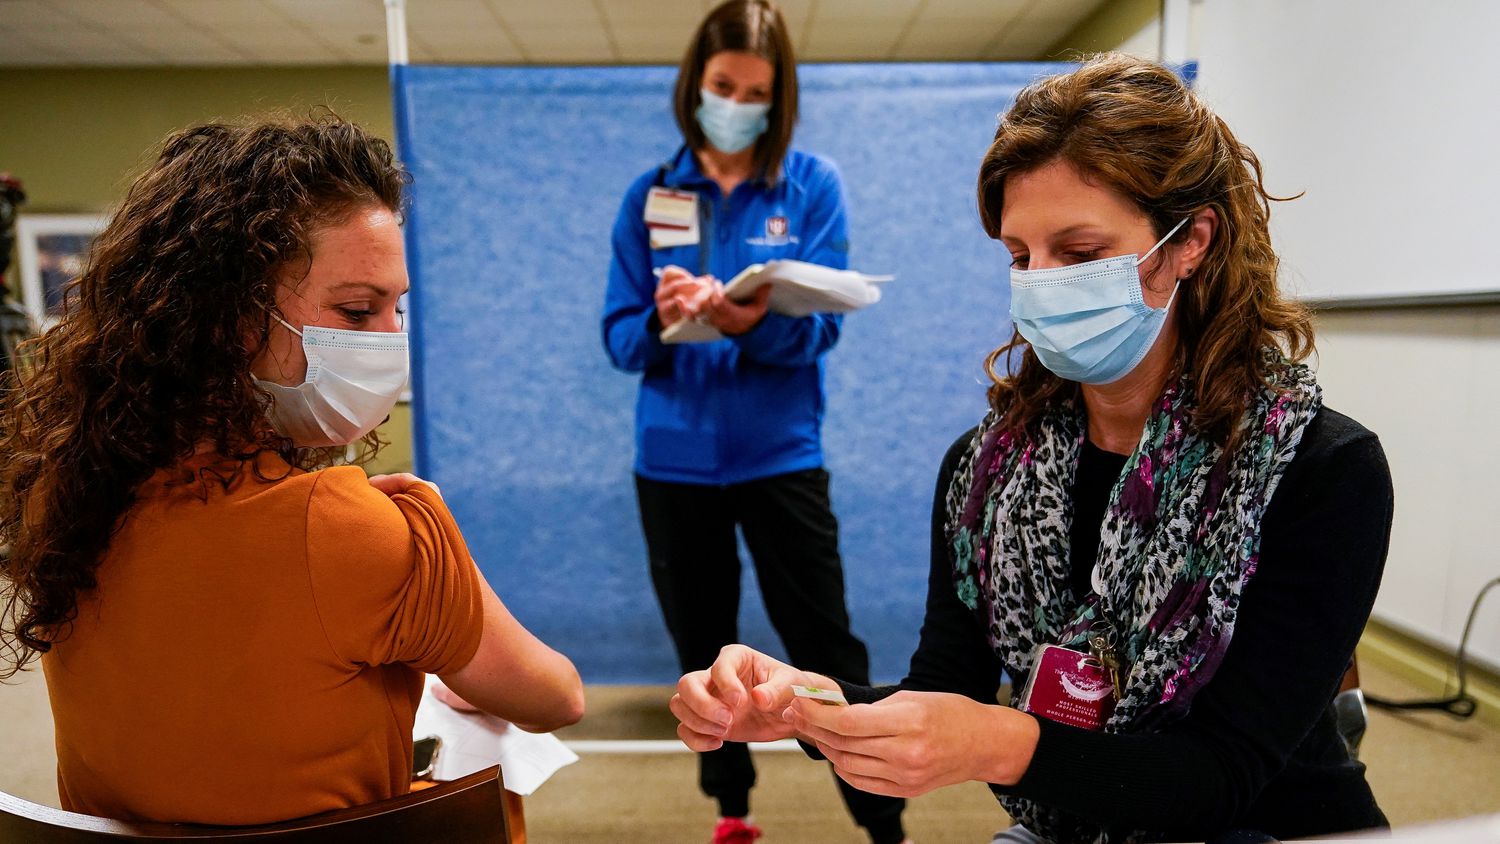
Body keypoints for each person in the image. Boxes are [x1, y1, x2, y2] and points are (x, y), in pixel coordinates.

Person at [669, 54, 1393, 843]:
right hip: (1070, 823)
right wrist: (802, 702)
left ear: (1193, 243)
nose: (1040, 285)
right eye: (1020, 257)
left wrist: (1002, 741)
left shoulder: (1319, 469)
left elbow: (1220, 779)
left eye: (1080, 254)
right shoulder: (986, 471)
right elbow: (944, 688)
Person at [0, 117, 585, 825]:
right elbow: (557, 698)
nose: (390, 342)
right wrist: (433, 531)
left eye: (397, 310)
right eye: (357, 310)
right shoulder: (357, 531)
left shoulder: (64, 488)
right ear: (229, 316)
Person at [600, 2, 906, 842]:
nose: (736, 102)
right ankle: (732, 815)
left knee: (828, 648)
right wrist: (667, 320)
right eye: (722, 85)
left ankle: (884, 825)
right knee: (703, 656)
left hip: (782, 458)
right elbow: (618, 340)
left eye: (756, 91)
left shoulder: (812, 186)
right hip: (673, 467)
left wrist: (750, 321)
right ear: (694, 85)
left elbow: (825, 326)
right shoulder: (652, 194)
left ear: (781, 97)